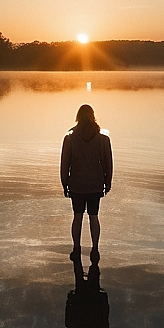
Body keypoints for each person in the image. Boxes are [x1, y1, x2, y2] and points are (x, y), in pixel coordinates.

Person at [60, 103, 112, 260]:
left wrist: (65, 184)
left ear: (77, 118)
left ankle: (76, 247)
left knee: (77, 216)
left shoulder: (70, 138)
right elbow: (108, 163)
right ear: (93, 116)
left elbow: (64, 164)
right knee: (94, 216)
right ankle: (95, 248)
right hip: (95, 184)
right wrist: (107, 182)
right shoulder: (103, 139)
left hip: (76, 184)